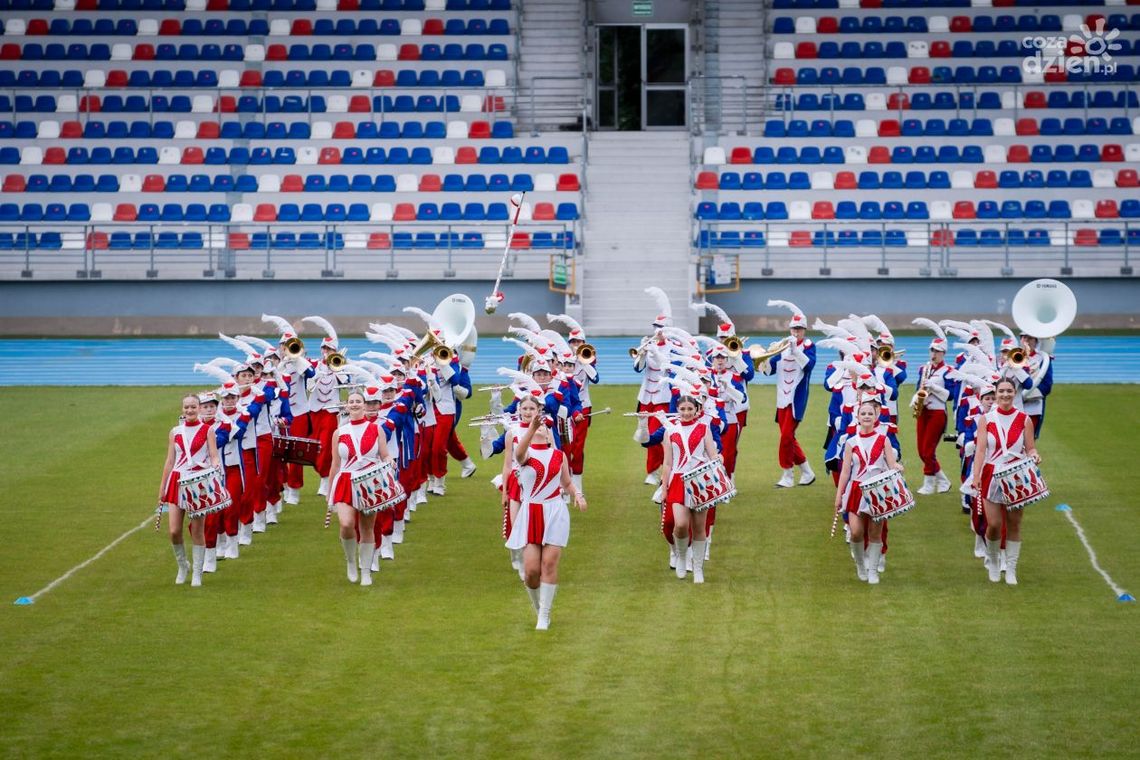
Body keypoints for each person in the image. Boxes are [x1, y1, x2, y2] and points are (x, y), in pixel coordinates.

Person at [506, 395, 587, 630]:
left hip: (555, 511)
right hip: (531, 512)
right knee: (531, 571)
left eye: (543, 427)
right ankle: (538, 608)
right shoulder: (526, 456)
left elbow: (567, 482)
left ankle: (545, 614)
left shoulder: (558, 456)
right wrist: (530, 429)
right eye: (537, 427)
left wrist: (578, 495)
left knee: (549, 564)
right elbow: (518, 454)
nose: (541, 429)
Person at [970, 378, 1043, 585]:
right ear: (996, 392)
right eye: (1001, 391)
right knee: (993, 524)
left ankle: (1011, 568)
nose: (1005, 395)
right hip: (992, 472)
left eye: (1009, 391)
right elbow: (981, 450)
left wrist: (1035, 455)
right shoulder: (987, 419)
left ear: (1014, 393)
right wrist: (976, 476)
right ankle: (993, 560)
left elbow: (1030, 447)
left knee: (1014, 524)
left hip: (1016, 475)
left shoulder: (1024, 419)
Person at [833, 398, 905, 585]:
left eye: (870, 414)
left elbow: (890, 464)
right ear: (857, 417)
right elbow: (846, 472)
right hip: (856, 490)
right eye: (863, 413)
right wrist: (839, 495)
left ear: (876, 417)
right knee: (856, 532)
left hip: (878, 491)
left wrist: (897, 467)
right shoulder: (851, 442)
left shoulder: (883, 439)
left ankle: (873, 570)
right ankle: (860, 564)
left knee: (875, 533)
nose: (866, 416)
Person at [158, 394, 227, 588]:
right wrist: (162, 487)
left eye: (193, 407)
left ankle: (197, 572)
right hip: (177, 481)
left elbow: (214, 455)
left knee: (197, 530)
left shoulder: (207, 430)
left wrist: (215, 468)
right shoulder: (175, 432)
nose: (190, 410)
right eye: (186, 407)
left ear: (199, 408)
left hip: (199, 483)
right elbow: (170, 461)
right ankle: (183, 566)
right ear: (182, 409)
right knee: (174, 531)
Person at [328, 391, 393, 586]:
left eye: (358, 401)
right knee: (347, 524)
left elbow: (385, 454)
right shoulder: (339, 432)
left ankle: (366, 571)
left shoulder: (376, 429)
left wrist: (391, 462)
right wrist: (330, 493)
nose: (355, 404)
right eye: (351, 402)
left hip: (369, 481)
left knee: (367, 528)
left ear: (364, 406)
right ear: (346, 406)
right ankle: (350, 561)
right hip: (345, 482)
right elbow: (335, 465)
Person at [661, 394, 721, 584]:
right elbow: (668, 463)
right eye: (683, 409)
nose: (686, 413)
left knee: (699, 527)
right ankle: (681, 556)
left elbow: (712, 455)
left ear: (696, 410)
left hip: (699, 480)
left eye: (690, 409)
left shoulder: (704, 428)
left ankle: (697, 568)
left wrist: (719, 475)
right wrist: (664, 488)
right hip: (678, 480)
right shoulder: (670, 431)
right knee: (680, 525)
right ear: (677, 410)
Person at [763, 299, 817, 487]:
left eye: (800, 329)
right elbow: (770, 370)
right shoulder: (783, 346)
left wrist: (795, 350)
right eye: (794, 329)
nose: (796, 332)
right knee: (789, 438)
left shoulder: (809, 346)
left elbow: (809, 366)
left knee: (786, 438)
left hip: (796, 400)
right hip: (782, 399)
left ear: (805, 330)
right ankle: (807, 472)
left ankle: (787, 475)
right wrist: (764, 361)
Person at [911, 319, 955, 495]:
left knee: (928, 451)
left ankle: (929, 484)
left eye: (937, 351)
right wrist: (915, 400)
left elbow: (950, 396)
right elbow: (919, 388)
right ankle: (943, 481)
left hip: (937, 413)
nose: (933, 354)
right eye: (932, 350)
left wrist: (934, 387)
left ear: (943, 353)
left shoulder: (948, 371)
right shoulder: (925, 368)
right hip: (924, 411)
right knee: (921, 451)